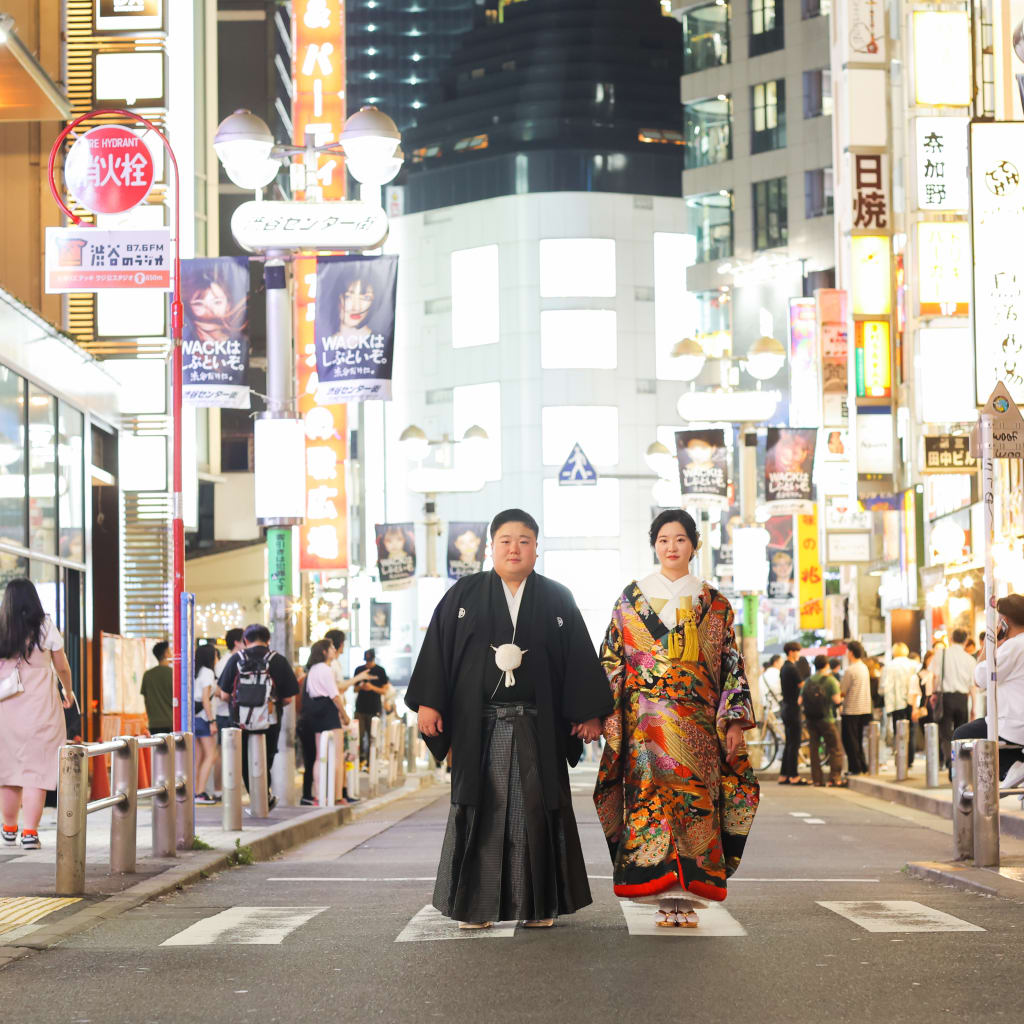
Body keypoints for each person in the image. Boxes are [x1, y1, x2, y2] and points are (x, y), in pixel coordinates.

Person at [406, 508, 612, 930]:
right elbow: (439, 653)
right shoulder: (463, 595)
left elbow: (577, 661)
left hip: (538, 726)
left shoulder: (557, 598)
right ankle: (475, 905)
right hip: (478, 726)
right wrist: (430, 703)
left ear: (537, 548)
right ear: (491, 547)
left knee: (536, 809)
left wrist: (588, 713)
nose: (514, 548)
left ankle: (538, 905)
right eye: (505, 540)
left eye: (523, 540)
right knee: (481, 807)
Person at [594, 509, 758, 928]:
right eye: (664, 539)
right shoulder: (630, 599)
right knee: (651, 807)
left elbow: (730, 663)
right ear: (654, 544)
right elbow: (612, 661)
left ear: (694, 545)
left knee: (696, 805)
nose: (671, 547)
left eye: (680, 539)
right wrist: (603, 716)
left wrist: (735, 720)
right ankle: (663, 898)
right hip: (643, 727)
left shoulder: (715, 603)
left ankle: (689, 896)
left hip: (697, 724)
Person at [0, 578, 73, 850]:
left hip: (6, 708)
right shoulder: (45, 627)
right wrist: (68, 690)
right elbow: (62, 667)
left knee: (8, 771)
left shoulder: (2, 626)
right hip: (41, 707)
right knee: (37, 771)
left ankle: (8, 829)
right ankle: (29, 833)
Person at [217, 624, 299, 814]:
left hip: (241, 721)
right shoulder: (277, 660)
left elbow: (223, 694)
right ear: (268, 640)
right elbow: (288, 698)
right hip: (270, 719)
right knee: (267, 756)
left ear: (245, 641)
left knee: (245, 760)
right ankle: (265, 796)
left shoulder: (236, 659)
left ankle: (257, 799)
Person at [955, 595, 1024, 788]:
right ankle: (1014, 767)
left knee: (961, 735)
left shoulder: (1013, 646)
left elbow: (980, 679)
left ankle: (1010, 767)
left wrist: (987, 646)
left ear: (1004, 621)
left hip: (1012, 724)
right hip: (1016, 725)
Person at [297, 640, 351, 805]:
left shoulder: (312, 670)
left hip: (314, 712)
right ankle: (336, 796)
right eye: (332, 648)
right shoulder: (326, 670)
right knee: (336, 755)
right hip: (328, 711)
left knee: (320, 756)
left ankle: (319, 795)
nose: (334, 650)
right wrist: (345, 715)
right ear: (324, 652)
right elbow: (334, 695)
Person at [932, 629, 976, 769]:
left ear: (951, 638)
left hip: (946, 698)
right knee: (961, 733)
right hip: (963, 698)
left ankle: (950, 763)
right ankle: (961, 765)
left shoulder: (941, 654)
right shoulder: (970, 659)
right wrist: (974, 706)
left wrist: (934, 693)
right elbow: (972, 686)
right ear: (965, 640)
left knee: (945, 733)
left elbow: (935, 676)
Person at [800, 655, 845, 787]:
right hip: (826, 718)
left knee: (814, 749)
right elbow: (837, 700)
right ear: (826, 665)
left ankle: (817, 780)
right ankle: (834, 778)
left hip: (811, 719)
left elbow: (800, 701)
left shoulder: (808, 681)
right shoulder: (830, 680)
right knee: (835, 748)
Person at [881, 642, 920, 768]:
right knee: (912, 730)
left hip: (896, 703)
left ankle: (901, 759)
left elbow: (883, 687)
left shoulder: (889, 666)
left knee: (899, 731)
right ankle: (910, 759)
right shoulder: (914, 665)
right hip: (912, 701)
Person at [353, 649, 390, 770]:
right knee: (358, 735)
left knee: (372, 737)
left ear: (373, 659)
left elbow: (384, 690)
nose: (368, 663)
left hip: (374, 708)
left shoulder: (380, 671)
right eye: (366, 661)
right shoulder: (359, 670)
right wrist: (361, 687)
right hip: (360, 708)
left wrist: (372, 687)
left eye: (370, 660)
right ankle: (360, 761)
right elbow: (354, 689)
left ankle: (370, 763)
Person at [840, 641, 872, 775]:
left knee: (850, 740)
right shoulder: (864, 667)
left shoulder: (850, 670)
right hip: (864, 708)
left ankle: (855, 768)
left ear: (851, 652)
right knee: (858, 739)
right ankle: (863, 765)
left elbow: (842, 690)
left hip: (851, 708)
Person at [193, 644, 220, 804]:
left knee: (198, 757)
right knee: (211, 755)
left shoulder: (196, 672)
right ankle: (200, 792)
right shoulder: (208, 672)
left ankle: (195, 792)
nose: (217, 659)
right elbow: (205, 699)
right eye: (216, 655)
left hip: (194, 718)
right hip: (204, 718)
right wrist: (212, 721)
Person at [779, 641, 807, 785]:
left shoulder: (784, 667)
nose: (798, 654)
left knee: (789, 743)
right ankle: (793, 776)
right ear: (791, 652)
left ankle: (784, 775)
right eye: (797, 651)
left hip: (785, 708)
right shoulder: (792, 668)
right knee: (794, 743)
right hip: (793, 709)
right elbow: (803, 686)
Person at [141, 641, 173, 735]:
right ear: (166, 654)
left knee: (157, 749)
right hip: (171, 721)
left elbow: (146, 700)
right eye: (170, 651)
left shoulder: (148, 675)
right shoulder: (173, 674)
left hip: (154, 723)